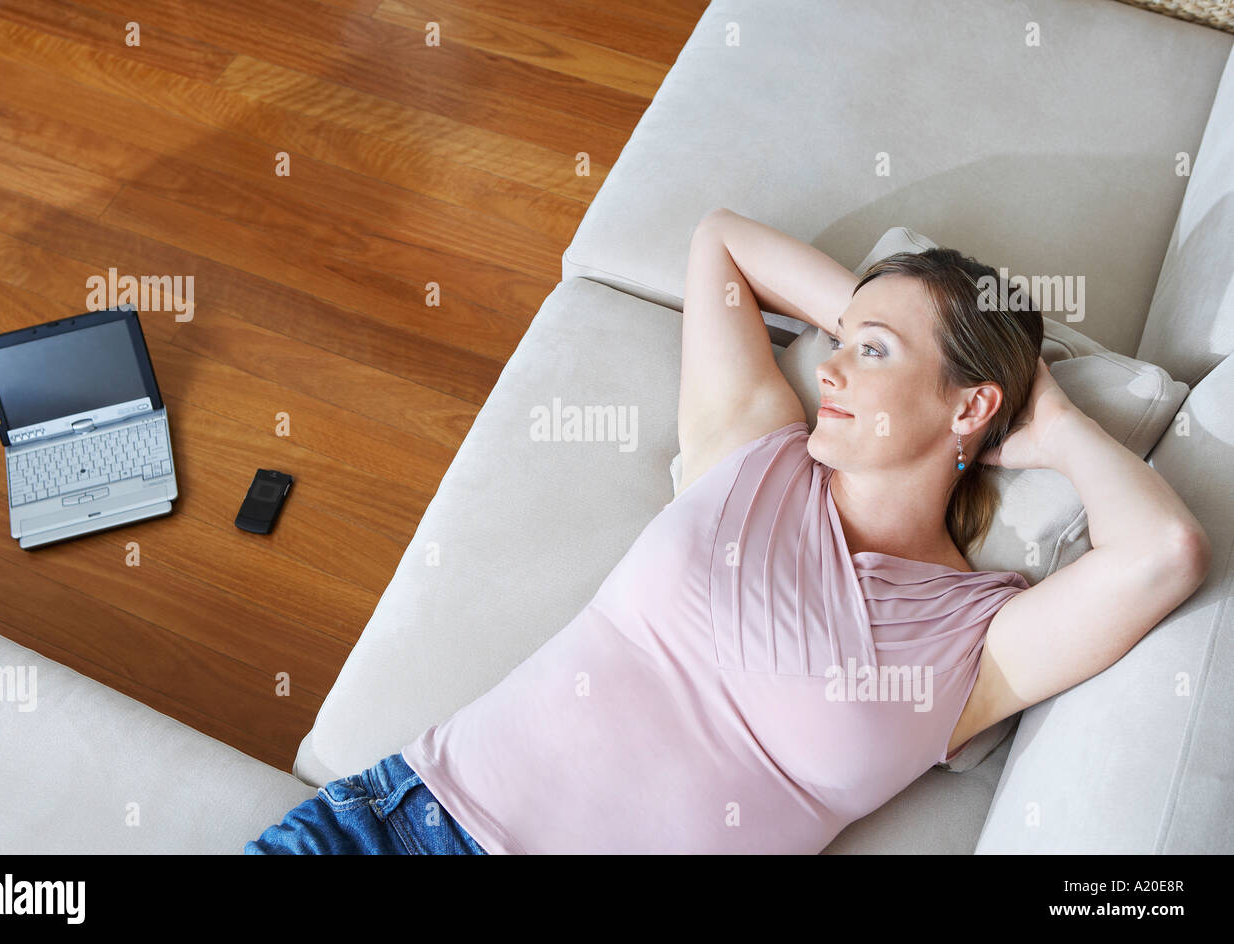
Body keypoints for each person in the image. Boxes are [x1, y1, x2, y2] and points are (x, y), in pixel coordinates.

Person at [247, 209, 1210, 854]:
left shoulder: (978, 641)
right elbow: (721, 240)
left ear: (971, 408)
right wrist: (877, 327)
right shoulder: (756, 449)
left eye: (868, 354)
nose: (829, 368)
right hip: (404, 826)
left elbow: (1166, 554)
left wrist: (1055, 426)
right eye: (836, 343)